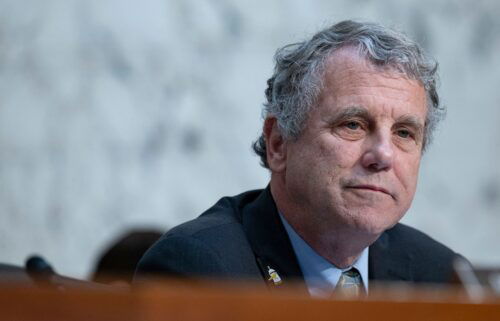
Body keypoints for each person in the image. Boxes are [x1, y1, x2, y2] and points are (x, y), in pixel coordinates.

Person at [135, 20, 464, 296]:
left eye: (404, 133)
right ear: (278, 144)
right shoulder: (199, 271)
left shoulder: (442, 279)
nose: (383, 154)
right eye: (353, 124)